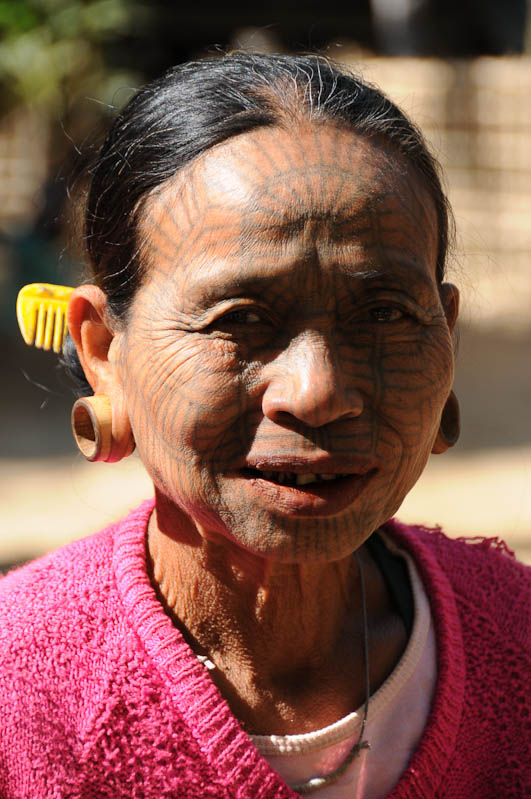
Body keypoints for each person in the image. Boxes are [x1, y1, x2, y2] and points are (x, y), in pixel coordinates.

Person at [1, 53, 529, 798]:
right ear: (102, 351)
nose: (317, 393)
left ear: (444, 334)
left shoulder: (515, 642)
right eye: (240, 320)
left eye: (382, 313)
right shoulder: (18, 697)